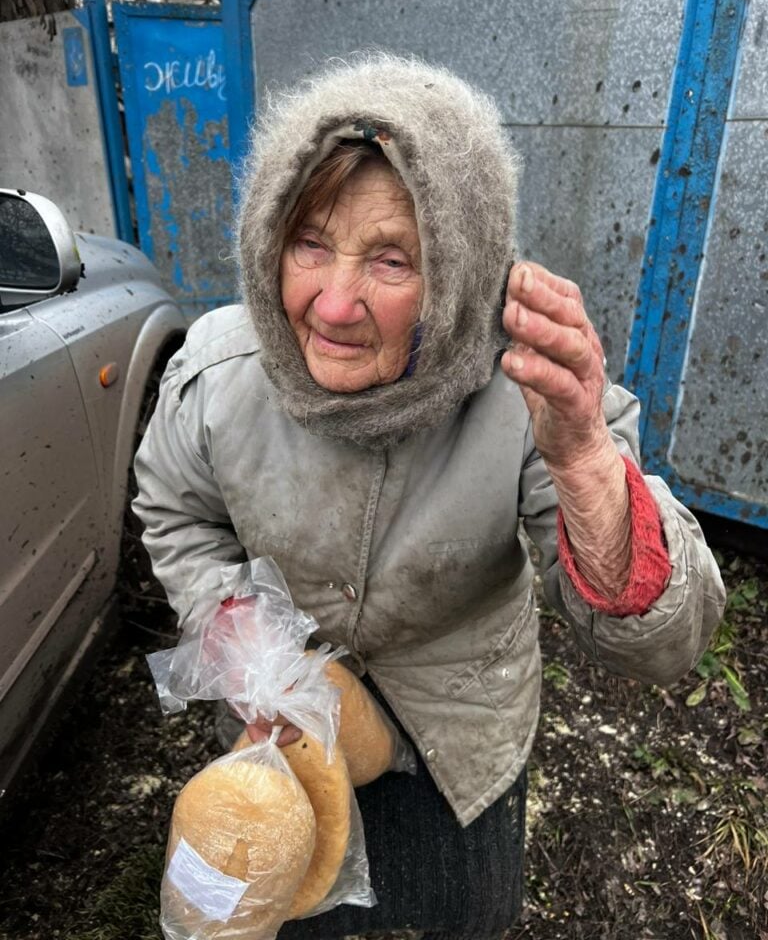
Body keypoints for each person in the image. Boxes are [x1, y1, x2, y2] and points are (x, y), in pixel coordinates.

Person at [132, 54, 725, 939]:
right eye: (309, 242)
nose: (333, 304)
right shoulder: (219, 373)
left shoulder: (528, 391)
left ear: (459, 268)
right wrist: (235, 625)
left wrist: (587, 462)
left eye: (391, 258)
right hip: (286, 743)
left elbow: (664, 645)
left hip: (461, 749)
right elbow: (174, 509)